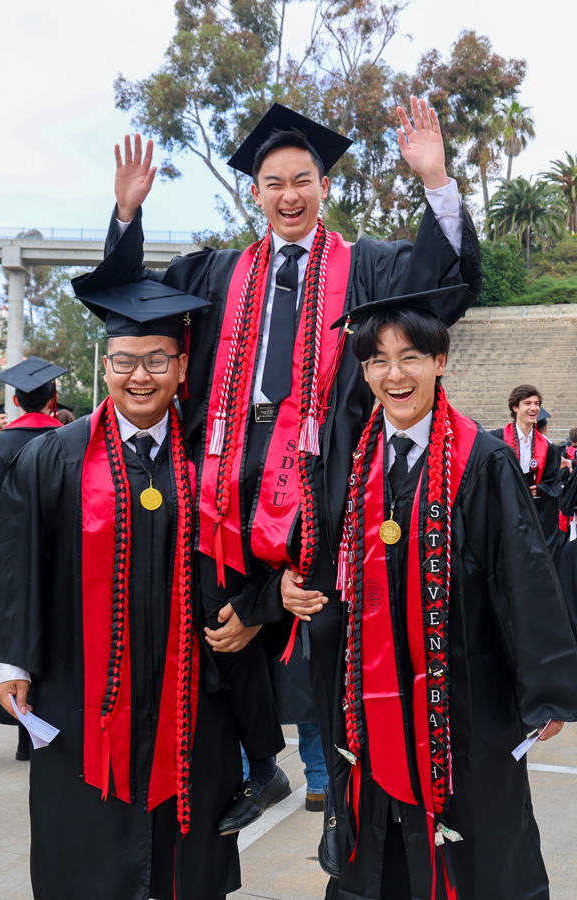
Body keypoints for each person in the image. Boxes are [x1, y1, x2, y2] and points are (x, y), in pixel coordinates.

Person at [72, 98, 481, 862]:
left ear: (324, 186)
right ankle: (261, 764)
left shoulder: (368, 265)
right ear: (253, 193)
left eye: (302, 179)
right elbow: (129, 306)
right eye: (272, 182)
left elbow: (442, 285)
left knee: (333, 630)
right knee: (208, 615)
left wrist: (437, 185)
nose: (288, 194)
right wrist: (125, 216)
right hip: (225, 472)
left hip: (328, 474)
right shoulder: (215, 272)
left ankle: (349, 813)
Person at [0, 283, 242, 900]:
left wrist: (254, 612)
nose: (140, 376)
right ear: (107, 367)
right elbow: (15, 558)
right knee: (85, 850)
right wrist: (10, 660)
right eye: (125, 361)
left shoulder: (212, 457)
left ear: (181, 367)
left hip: (191, 695)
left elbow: (248, 556)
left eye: (157, 360)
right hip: (79, 688)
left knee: (187, 858)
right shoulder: (52, 457)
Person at [324, 285, 577, 900]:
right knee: (379, 837)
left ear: (441, 361)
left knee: (476, 837)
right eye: (378, 360)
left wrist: (544, 688)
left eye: (410, 356)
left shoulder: (482, 459)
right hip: (371, 693)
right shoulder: (355, 461)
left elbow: (525, 575)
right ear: (364, 372)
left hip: (465, 690)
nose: (395, 373)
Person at [0, 356, 66, 759]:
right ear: (53, 399)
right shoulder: (70, 444)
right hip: (60, 569)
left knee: (3, 646)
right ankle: (28, 740)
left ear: (14, 399)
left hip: (1, 565)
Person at [491, 385, 562, 567]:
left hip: (534, 512)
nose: (534, 408)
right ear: (515, 407)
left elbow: (553, 482)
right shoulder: (496, 440)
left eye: (537, 404)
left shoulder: (549, 448)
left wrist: (539, 489)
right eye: (528, 403)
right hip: (504, 510)